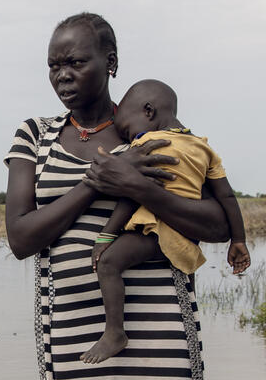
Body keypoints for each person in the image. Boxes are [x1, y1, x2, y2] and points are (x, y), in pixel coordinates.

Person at [4, 12, 224, 380]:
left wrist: (141, 186)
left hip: (156, 334)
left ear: (111, 65)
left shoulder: (160, 135)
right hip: (75, 333)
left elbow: (220, 223)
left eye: (76, 62)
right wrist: (98, 183)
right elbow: (22, 238)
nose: (63, 75)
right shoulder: (35, 135)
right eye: (54, 64)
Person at [81, 79, 250, 364]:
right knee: (183, 289)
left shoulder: (148, 144)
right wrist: (239, 240)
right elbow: (228, 198)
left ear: (148, 112)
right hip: (187, 237)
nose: (127, 139)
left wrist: (106, 235)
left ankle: (114, 333)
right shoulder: (204, 148)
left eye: (126, 130)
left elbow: (133, 195)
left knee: (109, 263)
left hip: (158, 230)